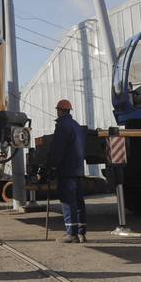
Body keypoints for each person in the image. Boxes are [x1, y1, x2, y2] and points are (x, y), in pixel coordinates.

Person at [49, 99, 87, 244]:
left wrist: (52, 165)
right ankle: (81, 233)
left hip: (66, 170)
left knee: (68, 201)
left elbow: (57, 149)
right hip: (78, 170)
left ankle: (71, 234)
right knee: (79, 202)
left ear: (59, 111)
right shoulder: (77, 126)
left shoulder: (62, 126)